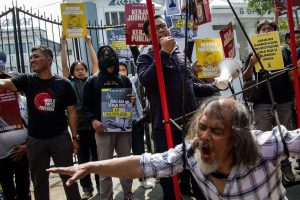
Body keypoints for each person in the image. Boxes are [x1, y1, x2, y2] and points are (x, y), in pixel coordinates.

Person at [48, 96, 300, 199]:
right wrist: (90, 165)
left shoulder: (267, 147)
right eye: (201, 127)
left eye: (216, 131)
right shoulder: (190, 152)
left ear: (239, 139)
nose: (203, 137)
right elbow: (143, 164)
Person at [137, 15, 214, 199]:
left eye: (164, 26)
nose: (162, 29)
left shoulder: (180, 56)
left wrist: (216, 85)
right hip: (166, 127)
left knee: (199, 170)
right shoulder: (145, 57)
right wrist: (163, 53)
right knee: (169, 173)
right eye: (156, 28)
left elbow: (191, 86)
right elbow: (147, 80)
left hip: (191, 124)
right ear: (148, 36)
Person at [0, 45, 81, 200]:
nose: (32, 60)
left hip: (60, 139)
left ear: (49, 60)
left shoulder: (63, 84)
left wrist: (75, 138)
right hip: (35, 141)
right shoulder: (27, 80)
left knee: (69, 178)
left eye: (36, 57)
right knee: (39, 182)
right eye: (31, 57)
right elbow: (4, 84)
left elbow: (72, 112)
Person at [242, 19, 295, 182]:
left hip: (284, 101)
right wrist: (251, 64)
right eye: (262, 29)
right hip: (262, 103)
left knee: (282, 135)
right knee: (265, 139)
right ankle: (270, 173)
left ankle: (286, 168)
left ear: (274, 32)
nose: (266, 31)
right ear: (258, 34)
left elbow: (292, 75)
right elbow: (246, 77)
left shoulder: (285, 51)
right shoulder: (252, 54)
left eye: (269, 29)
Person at [83, 45, 134, 200]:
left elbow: (129, 103)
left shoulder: (125, 80)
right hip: (102, 130)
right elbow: (86, 107)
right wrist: (93, 120)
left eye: (110, 54)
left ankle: (128, 195)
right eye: (103, 54)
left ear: (115, 57)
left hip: (123, 129)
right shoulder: (91, 81)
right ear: (99, 58)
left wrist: (131, 101)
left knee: (125, 164)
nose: (107, 57)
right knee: (104, 167)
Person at [61, 34, 99, 199]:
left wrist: (89, 43)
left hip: (94, 126)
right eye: (77, 69)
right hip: (80, 129)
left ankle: (101, 185)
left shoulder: (92, 81)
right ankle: (87, 188)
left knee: (98, 159)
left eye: (82, 68)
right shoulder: (69, 83)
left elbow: (96, 63)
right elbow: (63, 66)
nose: (80, 71)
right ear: (73, 72)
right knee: (83, 161)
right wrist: (63, 44)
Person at [118, 61, 154, 189]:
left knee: (139, 152)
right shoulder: (112, 85)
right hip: (121, 125)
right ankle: (126, 185)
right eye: (119, 69)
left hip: (136, 122)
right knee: (124, 155)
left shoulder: (132, 81)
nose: (122, 72)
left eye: (124, 69)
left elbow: (141, 73)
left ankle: (142, 179)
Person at [0, 69, 31, 200]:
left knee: (24, 187)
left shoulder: (26, 101)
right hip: (2, 154)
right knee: (8, 189)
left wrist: (26, 146)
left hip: (23, 152)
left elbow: (36, 127)